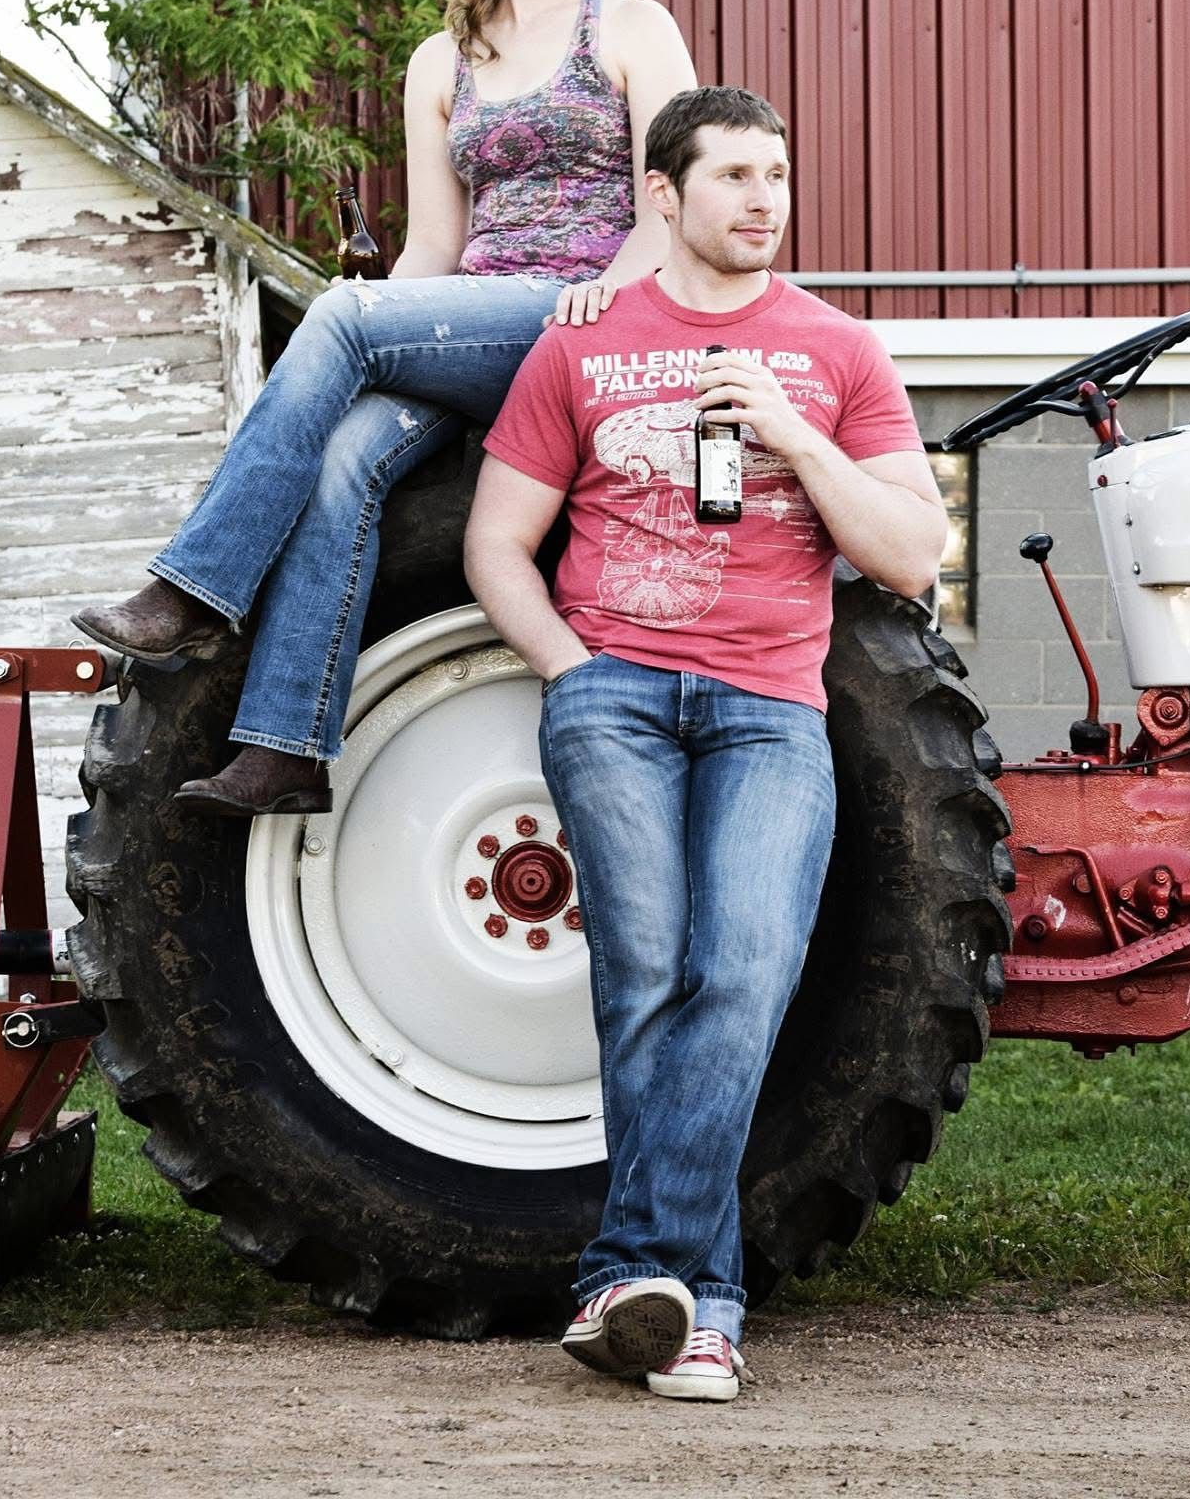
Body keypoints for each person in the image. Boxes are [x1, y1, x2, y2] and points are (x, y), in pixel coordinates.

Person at [463, 85, 946, 1401]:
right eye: (733, 175)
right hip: (612, 696)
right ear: (663, 195)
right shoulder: (581, 346)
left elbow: (910, 555)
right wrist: (572, 672)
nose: (762, 199)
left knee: (739, 973)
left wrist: (791, 434)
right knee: (642, 980)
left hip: (768, 708)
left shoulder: (837, 351)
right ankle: (704, 1314)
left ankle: (630, 1278)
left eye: (775, 175)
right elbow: (496, 542)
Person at [73, 0, 696, 816]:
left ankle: (196, 589)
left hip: (593, 316)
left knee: (340, 314)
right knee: (343, 457)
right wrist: (381, 331)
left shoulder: (631, 28)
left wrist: (610, 286)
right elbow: (434, 249)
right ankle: (287, 748)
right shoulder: (440, 62)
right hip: (478, 321)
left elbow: (672, 208)